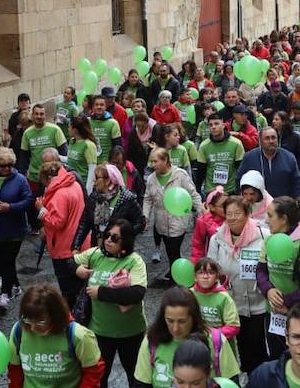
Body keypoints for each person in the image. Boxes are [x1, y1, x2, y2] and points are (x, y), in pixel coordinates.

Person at [74, 217, 148, 388]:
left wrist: (102, 293)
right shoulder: (96, 254)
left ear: (125, 242)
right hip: (99, 331)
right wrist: (78, 268)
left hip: (130, 332)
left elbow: (137, 293)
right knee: (98, 378)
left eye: (114, 238)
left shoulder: (134, 261)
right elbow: (69, 260)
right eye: (107, 235)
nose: (108, 241)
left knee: (135, 374)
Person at [205, 195, 271, 374]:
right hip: (232, 301)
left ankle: (260, 377)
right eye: (229, 214)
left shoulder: (263, 235)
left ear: (248, 214)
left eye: (237, 213)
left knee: (257, 341)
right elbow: (211, 268)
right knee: (242, 342)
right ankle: (250, 376)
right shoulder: (217, 239)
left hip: (258, 300)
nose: (233, 218)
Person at [257, 196, 300, 359]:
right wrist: (268, 290)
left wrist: (286, 302)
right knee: (276, 357)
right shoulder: (268, 240)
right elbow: (260, 270)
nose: (266, 220)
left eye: (270, 215)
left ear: (284, 219)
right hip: (273, 312)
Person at [134, 287, 239, 388]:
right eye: (170, 321)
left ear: (194, 317)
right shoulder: (152, 341)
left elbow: (232, 386)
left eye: (182, 321)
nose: (175, 328)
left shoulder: (216, 341)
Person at [0, 148, 34, 314]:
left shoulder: (19, 180)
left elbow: (28, 200)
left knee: (8, 261)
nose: (6, 169)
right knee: (1, 261)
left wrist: (11, 207)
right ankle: (16, 285)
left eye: (9, 165)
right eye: (3, 166)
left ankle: (4, 295)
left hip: (15, 229)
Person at [141, 147, 203, 285]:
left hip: (178, 221)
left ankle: (178, 277)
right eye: (151, 161)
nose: (153, 164)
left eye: (155, 161)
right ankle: (173, 271)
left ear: (165, 160)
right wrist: (145, 216)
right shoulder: (152, 178)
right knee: (169, 249)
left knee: (174, 249)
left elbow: (192, 194)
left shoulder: (180, 175)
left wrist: (202, 211)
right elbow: (148, 198)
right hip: (161, 222)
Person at [37, 159, 87, 300]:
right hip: (80, 244)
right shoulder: (74, 184)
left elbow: (57, 222)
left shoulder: (59, 194)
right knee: (80, 286)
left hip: (63, 248)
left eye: (44, 182)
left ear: (48, 178)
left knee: (68, 290)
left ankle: (71, 317)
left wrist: (42, 210)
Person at [72, 164, 142, 253]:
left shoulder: (127, 199)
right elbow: (85, 222)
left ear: (108, 180)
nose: (94, 181)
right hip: (97, 248)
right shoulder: (94, 197)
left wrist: (122, 237)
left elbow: (140, 222)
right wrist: (76, 246)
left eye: (97, 178)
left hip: (119, 250)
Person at [239, 127, 300, 200]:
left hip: (282, 205)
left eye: (273, 138)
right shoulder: (249, 157)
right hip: (257, 205)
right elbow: (239, 179)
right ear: (260, 141)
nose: (271, 141)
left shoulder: (289, 157)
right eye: (267, 138)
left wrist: (298, 199)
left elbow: (296, 182)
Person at [195, 113, 246, 196]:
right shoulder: (204, 146)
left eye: (216, 124)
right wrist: (197, 191)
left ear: (223, 125)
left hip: (231, 190)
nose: (213, 127)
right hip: (211, 191)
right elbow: (200, 171)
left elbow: (240, 169)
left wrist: (240, 190)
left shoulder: (236, 144)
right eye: (210, 125)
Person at [66, 114, 100, 191]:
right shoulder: (72, 141)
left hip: (83, 186)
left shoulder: (89, 145)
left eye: (69, 127)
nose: (68, 129)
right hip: (72, 184)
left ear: (75, 130)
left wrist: (87, 192)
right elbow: (69, 158)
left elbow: (92, 170)